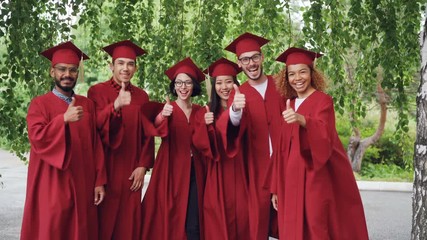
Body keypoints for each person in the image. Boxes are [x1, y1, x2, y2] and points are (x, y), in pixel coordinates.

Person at [271, 47, 369, 239]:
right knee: (291, 227)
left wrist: (303, 120)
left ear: (311, 73)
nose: (297, 78)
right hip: (289, 179)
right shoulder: (288, 103)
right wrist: (275, 187)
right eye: (291, 74)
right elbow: (280, 149)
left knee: (315, 224)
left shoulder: (323, 101)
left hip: (314, 176)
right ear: (286, 77)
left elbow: (325, 135)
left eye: (302, 72)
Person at [21, 41, 107, 240]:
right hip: (51, 184)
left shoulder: (87, 105)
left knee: (81, 231)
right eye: (61, 69)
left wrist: (99, 181)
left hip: (83, 182)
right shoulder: (39, 104)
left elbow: (96, 146)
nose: (67, 74)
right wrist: (63, 120)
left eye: (72, 70)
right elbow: (37, 137)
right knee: (53, 231)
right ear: (52, 72)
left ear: (78, 73)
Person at [216, 32, 282, 239]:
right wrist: (235, 110)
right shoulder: (238, 93)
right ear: (239, 63)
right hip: (257, 167)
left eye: (254, 57)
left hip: (284, 163)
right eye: (245, 59)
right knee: (258, 221)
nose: (251, 63)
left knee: (290, 219)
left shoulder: (281, 85)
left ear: (262, 57)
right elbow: (233, 126)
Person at [87, 40, 154, 240]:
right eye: (121, 63)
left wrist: (143, 165)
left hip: (131, 173)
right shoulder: (96, 91)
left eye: (130, 64)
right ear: (112, 66)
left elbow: (147, 134)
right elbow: (95, 128)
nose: (125, 68)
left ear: (135, 68)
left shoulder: (142, 96)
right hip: (105, 169)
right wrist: (114, 106)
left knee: (129, 226)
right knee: (103, 224)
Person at [140, 57, 206, 240]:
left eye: (187, 83)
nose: (183, 87)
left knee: (193, 222)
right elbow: (155, 125)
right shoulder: (168, 108)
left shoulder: (201, 111)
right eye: (178, 83)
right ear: (174, 85)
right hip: (170, 169)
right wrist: (162, 115)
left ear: (194, 86)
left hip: (195, 171)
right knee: (168, 217)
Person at [193, 57, 249, 240]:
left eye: (228, 82)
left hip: (241, 172)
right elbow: (199, 144)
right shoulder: (207, 111)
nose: (224, 87)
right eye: (219, 83)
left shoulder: (244, 107)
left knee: (243, 220)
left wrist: (236, 111)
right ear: (214, 86)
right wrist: (205, 126)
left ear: (235, 83)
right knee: (216, 220)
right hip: (217, 174)